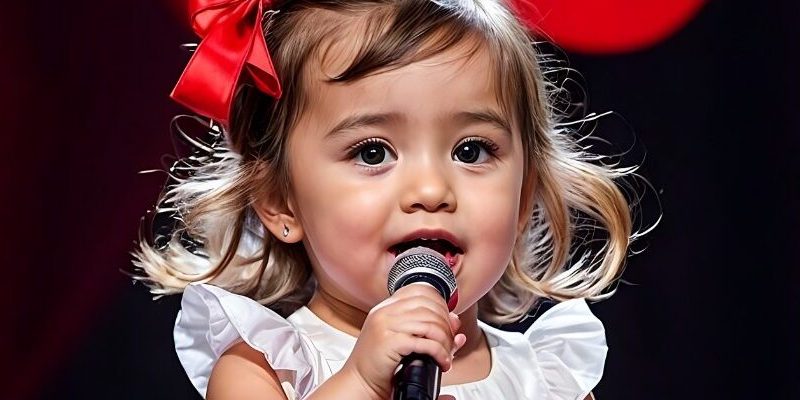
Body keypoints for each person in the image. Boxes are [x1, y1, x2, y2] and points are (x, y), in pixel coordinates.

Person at [133, 0, 640, 398]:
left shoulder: (549, 381)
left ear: (526, 193)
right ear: (280, 201)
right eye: (373, 152)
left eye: (471, 150)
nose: (431, 191)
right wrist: (360, 382)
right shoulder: (264, 368)